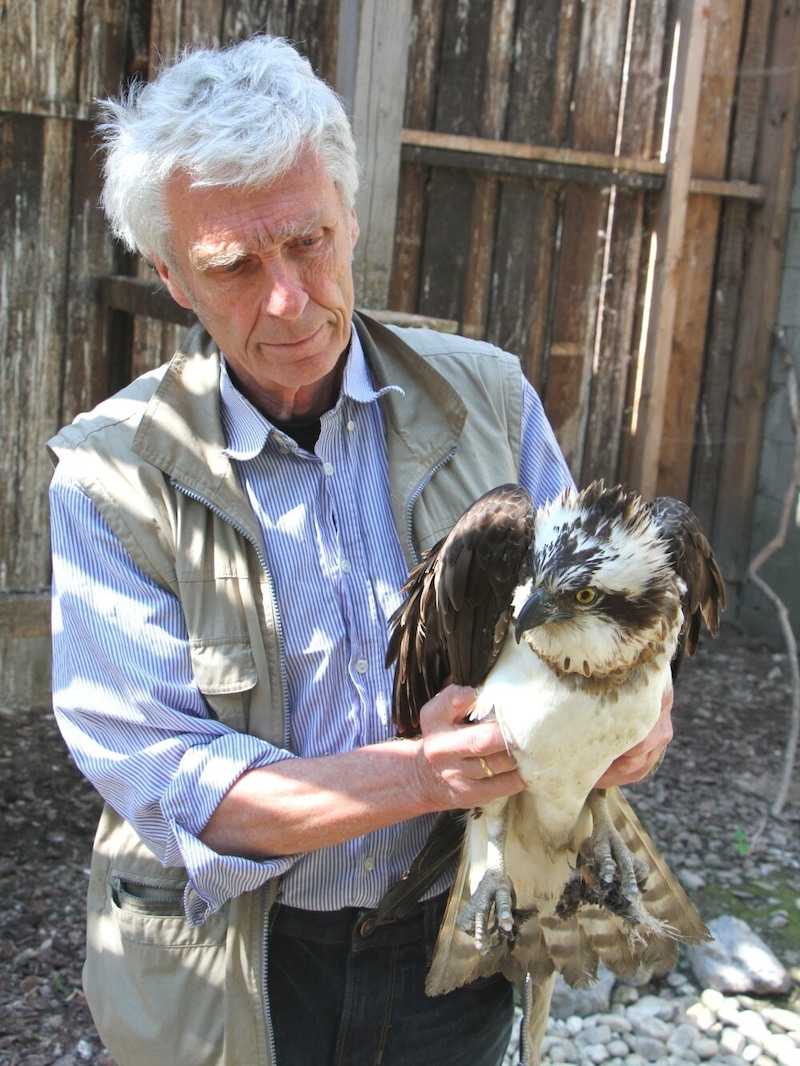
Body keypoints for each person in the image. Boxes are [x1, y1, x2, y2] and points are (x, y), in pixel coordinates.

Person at [48, 35, 672, 1066]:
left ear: (349, 218)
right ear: (170, 276)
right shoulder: (112, 478)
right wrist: (431, 771)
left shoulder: (488, 399)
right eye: (234, 266)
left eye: (308, 242)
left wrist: (627, 713)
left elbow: (607, 632)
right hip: (234, 967)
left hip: (451, 945)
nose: (287, 298)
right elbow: (176, 781)